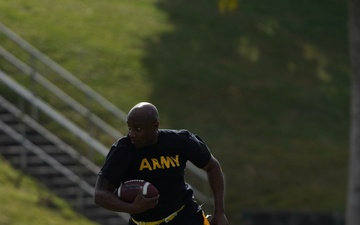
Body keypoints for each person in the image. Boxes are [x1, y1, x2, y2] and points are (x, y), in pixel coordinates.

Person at [94, 102, 229, 225]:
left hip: (185, 217)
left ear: (155, 125)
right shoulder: (123, 151)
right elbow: (100, 194)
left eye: (138, 129)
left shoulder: (180, 141)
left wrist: (219, 212)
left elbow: (212, 166)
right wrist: (132, 207)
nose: (132, 134)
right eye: (129, 128)